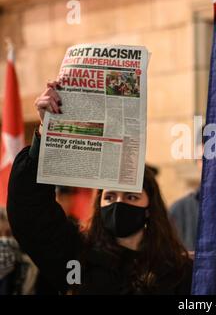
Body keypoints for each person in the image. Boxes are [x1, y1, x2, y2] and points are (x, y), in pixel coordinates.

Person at [6, 82, 193, 294]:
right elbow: (30, 212)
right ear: (99, 203)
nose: (118, 203)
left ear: (150, 206)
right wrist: (47, 130)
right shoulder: (75, 256)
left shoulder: (177, 271)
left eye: (131, 197)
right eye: (110, 196)